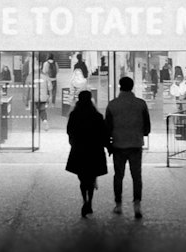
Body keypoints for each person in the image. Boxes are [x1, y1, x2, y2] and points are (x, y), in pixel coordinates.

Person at [104, 75, 151, 218]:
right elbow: (147, 128)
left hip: (118, 144)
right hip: (136, 144)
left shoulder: (112, 105)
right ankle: (137, 205)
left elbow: (107, 127)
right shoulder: (141, 104)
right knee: (137, 176)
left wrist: (109, 145)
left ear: (120, 86)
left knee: (118, 176)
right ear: (132, 86)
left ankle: (118, 205)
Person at [65, 89, 108, 217]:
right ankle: (90, 201)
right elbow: (103, 133)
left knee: (82, 178)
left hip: (79, 149)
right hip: (94, 150)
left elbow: (69, 131)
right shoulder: (97, 116)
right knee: (92, 175)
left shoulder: (74, 115)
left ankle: (85, 200)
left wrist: (73, 143)